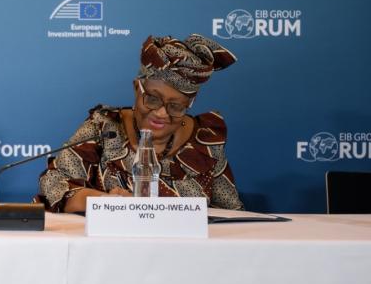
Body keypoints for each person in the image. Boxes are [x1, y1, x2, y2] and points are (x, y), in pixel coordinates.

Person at [37, 34, 243, 213]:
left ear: (189, 104)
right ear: (137, 88)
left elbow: (231, 214)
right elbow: (54, 183)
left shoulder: (205, 143)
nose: (161, 113)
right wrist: (105, 201)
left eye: (176, 106)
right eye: (152, 99)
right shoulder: (104, 127)